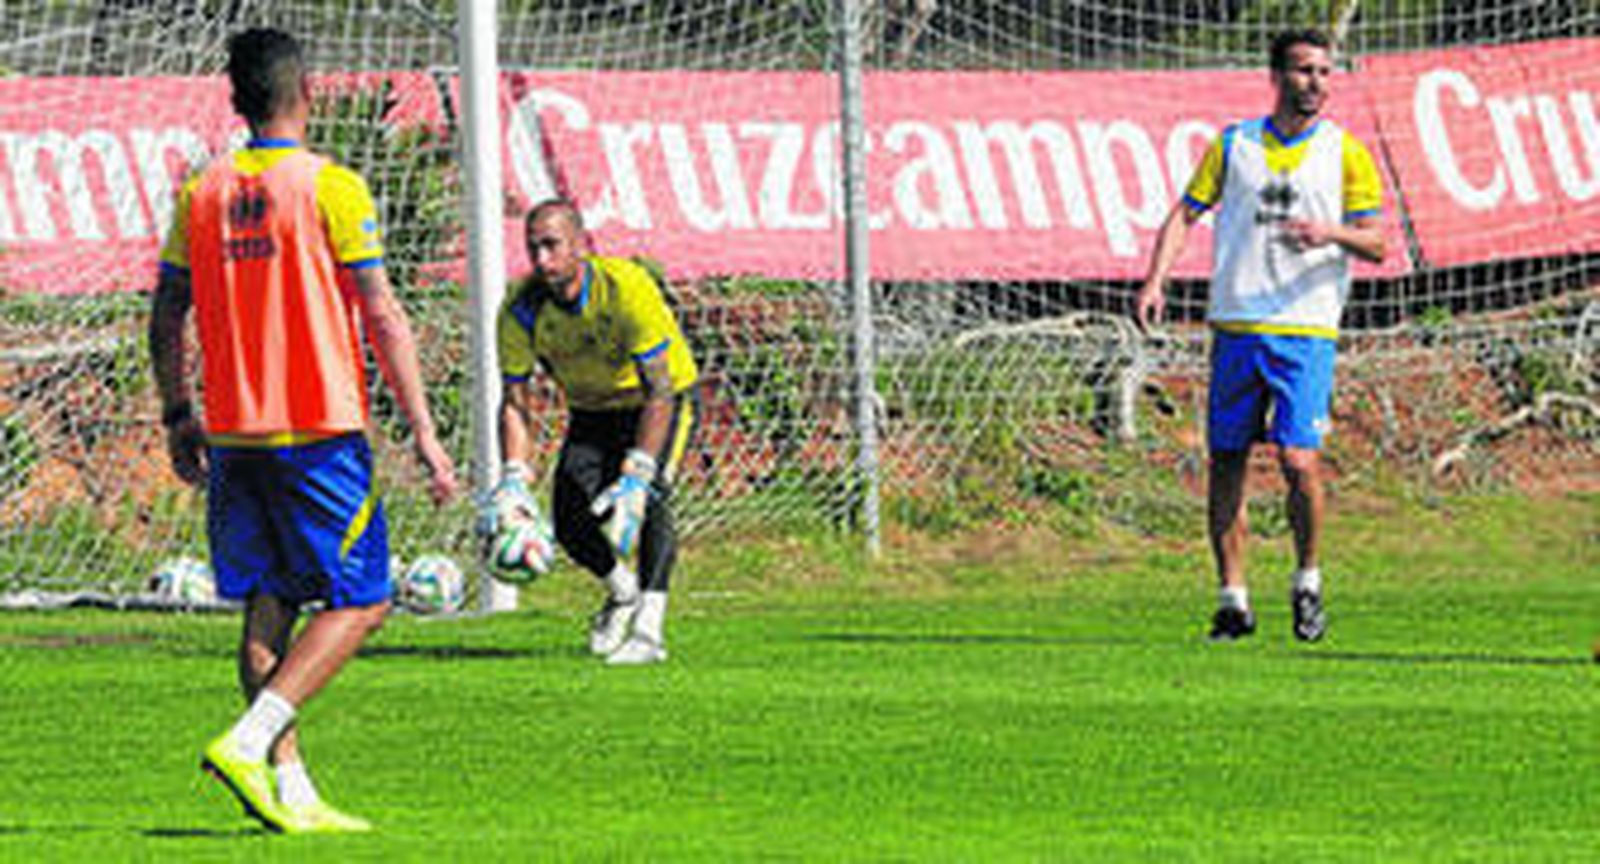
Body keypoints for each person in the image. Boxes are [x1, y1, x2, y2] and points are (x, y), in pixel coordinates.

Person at [148, 27, 457, 833]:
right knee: (364, 600)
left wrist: (180, 412)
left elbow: (166, 310)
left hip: (236, 435)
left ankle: (292, 794)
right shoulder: (331, 187)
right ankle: (250, 743)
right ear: (307, 92)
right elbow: (382, 313)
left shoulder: (201, 192)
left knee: (271, 598)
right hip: (317, 429)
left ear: (237, 100)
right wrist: (423, 429)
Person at [1136, 29, 1386, 642]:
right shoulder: (1235, 145)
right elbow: (1184, 213)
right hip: (1238, 326)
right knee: (1226, 459)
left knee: (1299, 460)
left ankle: (1307, 583)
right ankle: (1233, 601)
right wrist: (1155, 280)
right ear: (1276, 77)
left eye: (1325, 72)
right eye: (1304, 71)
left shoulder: (1345, 151)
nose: (1316, 83)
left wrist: (1331, 232)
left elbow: (1378, 243)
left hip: (1305, 330)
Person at [487, 199, 699, 666]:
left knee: (652, 498)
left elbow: (660, 389)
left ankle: (649, 629)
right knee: (568, 520)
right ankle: (621, 593)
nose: (542, 260)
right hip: (591, 410)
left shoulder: (625, 288)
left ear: (580, 244)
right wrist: (514, 477)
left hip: (656, 404)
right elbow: (515, 401)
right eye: (533, 248)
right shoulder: (520, 310)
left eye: (552, 245)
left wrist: (638, 472)